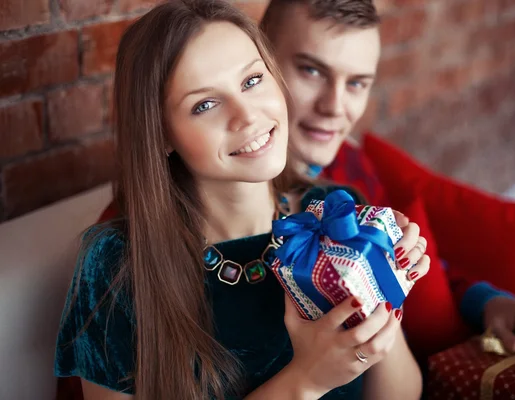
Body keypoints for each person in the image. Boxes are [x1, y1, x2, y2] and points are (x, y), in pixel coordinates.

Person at [54, 1, 429, 399]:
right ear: (161, 135)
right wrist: (307, 381)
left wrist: (384, 293)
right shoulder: (115, 266)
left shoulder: (334, 212)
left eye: (252, 81)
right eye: (205, 104)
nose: (247, 115)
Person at [259, 0, 515, 361]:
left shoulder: (352, 166)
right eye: (312, 71)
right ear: (261, 62)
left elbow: (409, 265)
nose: (335, 106)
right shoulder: (232, 194)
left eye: (357, 83)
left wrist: (490, 302)